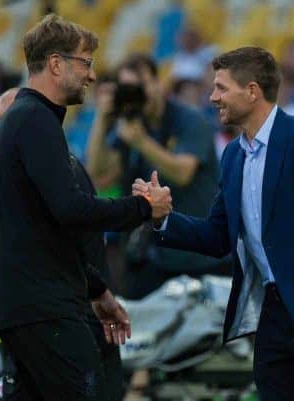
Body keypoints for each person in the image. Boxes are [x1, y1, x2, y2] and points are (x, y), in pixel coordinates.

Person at [135, 46, 294, 401]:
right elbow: (217, 236)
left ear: (252, 91)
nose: (212, 97)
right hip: (272, 316)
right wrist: (163, 219)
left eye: (220, 88)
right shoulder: (233, 155)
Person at [0, 14, 171, 401]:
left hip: (28, 307)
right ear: (56, 64)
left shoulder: (22, 121)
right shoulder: (35, 120)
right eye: (85, 62)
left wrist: (99, 290)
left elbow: (49, 229)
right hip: (47, 309)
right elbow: (71, 210)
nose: (91, 75)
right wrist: (142, 208)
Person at [87, 53, 222, 300]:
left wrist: (140, 141)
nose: (137, 94)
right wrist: (102, 120)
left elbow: (183, 173)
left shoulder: (189, 119)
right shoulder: (131, 125)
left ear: (157, 84)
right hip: (157, 257)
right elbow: (99, 175)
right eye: (128, 88)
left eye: (141, 85)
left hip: (202, 257)